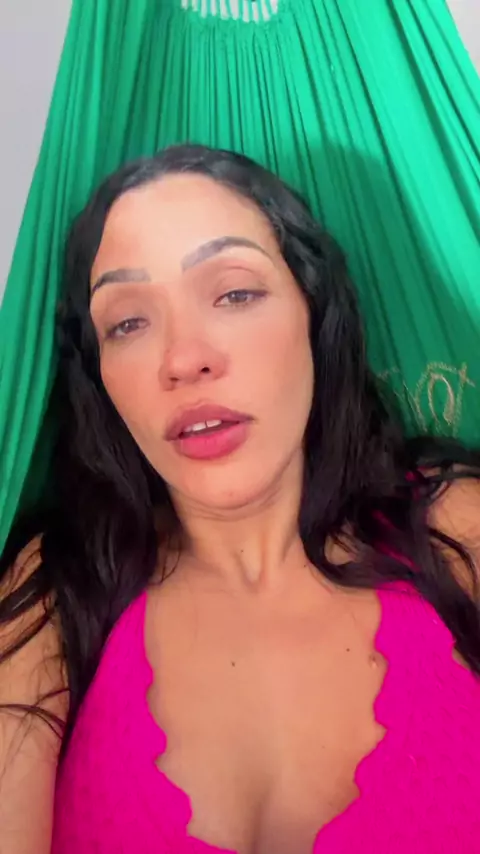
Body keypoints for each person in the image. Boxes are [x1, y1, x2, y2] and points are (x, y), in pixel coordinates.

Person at [1, 144, 480, 854]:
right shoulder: (58, 589)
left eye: (234, 294)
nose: (183, 358)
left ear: (314, 312)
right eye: (127, 322)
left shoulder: (456, 529)